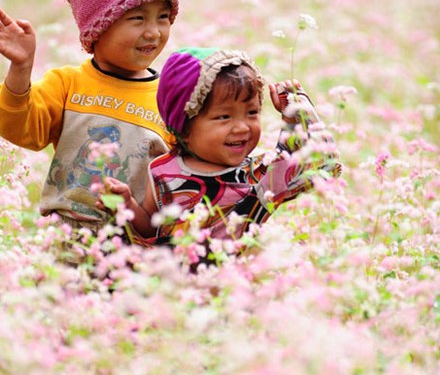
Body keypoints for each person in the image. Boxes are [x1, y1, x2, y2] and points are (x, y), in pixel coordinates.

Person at [0, 0, 179, 234]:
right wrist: (20, 69)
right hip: (66, 241)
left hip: (139, 250)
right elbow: (19, 129)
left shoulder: (171, 98)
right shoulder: (68, 85)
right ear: (97, 26)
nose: (154, 32)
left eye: (163, 17)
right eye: (138, 18)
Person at [98, 47, 341, 245]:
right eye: (224, 117)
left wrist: (296, 111)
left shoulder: (260, 174)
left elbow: (324, 165)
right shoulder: (163, 171)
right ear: (184, 125)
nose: (242, 127)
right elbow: (151, 225)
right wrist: (128, 205)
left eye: (252, 112)